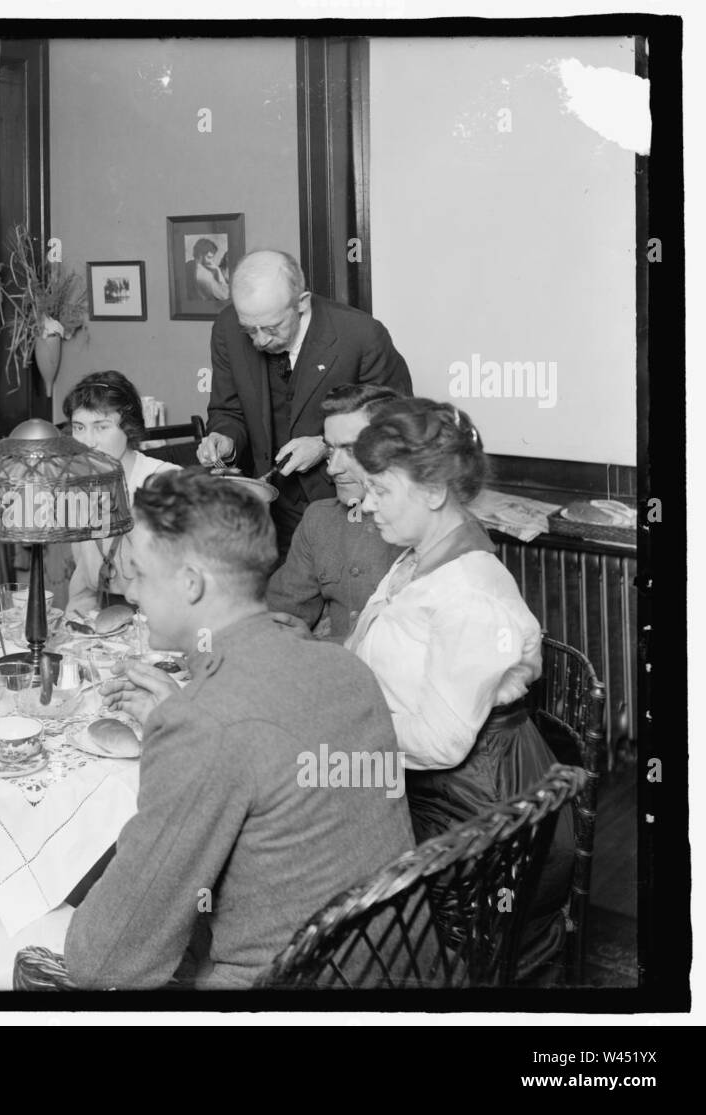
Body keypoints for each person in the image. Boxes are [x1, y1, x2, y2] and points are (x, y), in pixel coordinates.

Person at [57, 471, 414, 988]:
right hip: (383, 962)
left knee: (26, 936)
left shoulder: (205, 723)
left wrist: (189, 727)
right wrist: (186, 719)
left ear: (191, 582)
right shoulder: (348, 670)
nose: (130, 592)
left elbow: (107, 961)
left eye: (138, 573)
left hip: (277, 982)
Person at [345, 397, 574, 970]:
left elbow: (443, 741)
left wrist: (342, 728)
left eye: (380, 490)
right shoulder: (417, 558)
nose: (366, 504)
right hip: (438, 788)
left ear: (432, 492)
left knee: (322, 877)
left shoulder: (469, 591)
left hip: (479, 822)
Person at [196, 249, 412, 555]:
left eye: (271, 328)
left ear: (302, 302)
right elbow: (228, 410)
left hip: (342, 506)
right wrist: (225, 438)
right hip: (265, 513)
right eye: (250, 330)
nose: (260, 340)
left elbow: (395, 425)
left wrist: (326, 446)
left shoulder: (362, 336)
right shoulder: (227, 329)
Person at [265, 383, 405, 639]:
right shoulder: (320, 519)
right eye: (330, 450)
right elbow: (280, 615)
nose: (332, 469)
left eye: (351, 451)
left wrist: (319, 647)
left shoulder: (426, 529)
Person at [63, 372, 180, 616]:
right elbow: (83, 582)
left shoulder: (166, 484)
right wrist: (74, 631)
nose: (88, 442)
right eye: (79, 427)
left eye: (101, 427)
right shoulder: (78, 487)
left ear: (129, 428)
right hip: (105, 624)